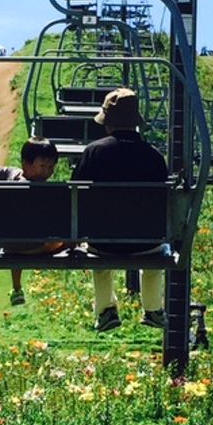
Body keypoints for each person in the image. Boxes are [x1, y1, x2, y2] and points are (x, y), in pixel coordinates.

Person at [71, 87, 169, 332]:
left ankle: (105, 311)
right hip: (146, 243)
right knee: (155, 254)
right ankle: (153, 308)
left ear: (108, 124)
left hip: (103, 242)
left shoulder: (94, 152)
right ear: (135, 123)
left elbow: (74, 193)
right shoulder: (153, 156)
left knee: (100, 255)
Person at [0, 137, 62, 306]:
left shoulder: (10, 173)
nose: (47, 172)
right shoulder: (46, 192)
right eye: (43, 166)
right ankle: (17, 288)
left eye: (51, 167)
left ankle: (16, 287)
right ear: (26, 164)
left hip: (8, 244)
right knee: (60, 239)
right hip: (36, 247)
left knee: (18, 234)